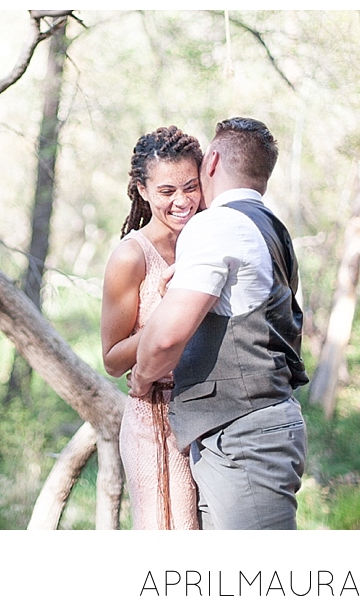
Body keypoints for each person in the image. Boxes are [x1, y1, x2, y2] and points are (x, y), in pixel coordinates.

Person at [129, 117, 309, 530]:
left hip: (244, 436)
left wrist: (141, 379)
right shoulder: (269, 226)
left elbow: (165, 338)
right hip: (248, 431)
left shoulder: (218, 224)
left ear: (210, 161)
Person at [101, 126, 203, 530]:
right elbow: (111, 360)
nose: (182, 201)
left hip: (207, 416)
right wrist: (169, 320)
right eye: (166, 191)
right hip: (155, 421)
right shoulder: (131, 256)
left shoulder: (207, 241)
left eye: (191, 187)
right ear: (142, 190)